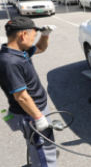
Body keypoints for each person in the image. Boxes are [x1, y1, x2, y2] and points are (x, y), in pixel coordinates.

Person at [0, 17, 57, 167]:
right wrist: (38, 117)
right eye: (33, 35)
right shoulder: (10, 62)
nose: (34, 38)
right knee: (43, 152)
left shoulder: (20, 52)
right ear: (23, 35)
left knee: (40, 147)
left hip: (36, 109)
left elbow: (41, 48)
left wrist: (44, 35)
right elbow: (21, 97)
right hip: (30, 113)